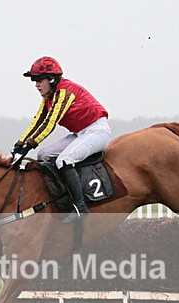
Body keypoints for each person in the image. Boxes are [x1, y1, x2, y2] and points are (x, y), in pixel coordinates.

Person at [12, 56, 110, 223]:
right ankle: (61, 196)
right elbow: (38, 120)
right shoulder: (49, 97)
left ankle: (80, 206)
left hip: (97, 131)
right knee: (43, 155)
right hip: (80, 133)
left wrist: (29, 145)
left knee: (64, 160)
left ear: (51, 78)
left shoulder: (64, 92)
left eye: (38, 80)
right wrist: (20, 143)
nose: (36, 85)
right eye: (34, 81)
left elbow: (51, 122)